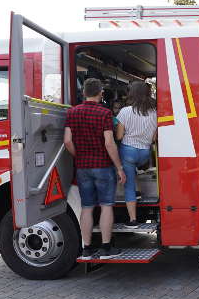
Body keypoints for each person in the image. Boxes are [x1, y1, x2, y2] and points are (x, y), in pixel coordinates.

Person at [64, 78, 126, 258]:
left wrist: (79, 155)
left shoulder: (72, 113)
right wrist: (119, 167)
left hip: (83, 167)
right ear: (101, 93)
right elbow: (109, 143)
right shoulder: (104, 113)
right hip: (103, 166)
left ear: (83, 93)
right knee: (106, 206)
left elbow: (67, 141)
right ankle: (106, 248)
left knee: (87, 208)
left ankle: (87, 249)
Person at [115, 80, 157, 226]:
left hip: (128, 151)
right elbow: (154, 138)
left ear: (132, 94)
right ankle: (138, 189)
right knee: (135, 170)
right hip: (145, 153)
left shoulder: (125, 112)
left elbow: (119, 136)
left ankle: (133, 220)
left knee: (128, 185)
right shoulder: (155, 113)